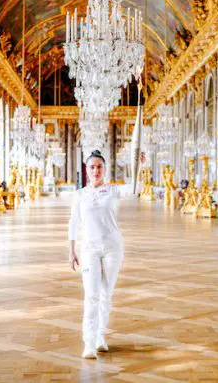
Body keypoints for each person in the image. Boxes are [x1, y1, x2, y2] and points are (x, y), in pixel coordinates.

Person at [68, 149, 142, 359]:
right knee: (91, 294)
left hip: (113, 248)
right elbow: (74, 222)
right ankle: (88, 343)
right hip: (89, 249)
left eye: (99, 167)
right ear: (87, 169)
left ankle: (100, 336)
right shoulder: (80, 195)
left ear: (104, 169)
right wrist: (71, 249)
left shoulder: (113, 190)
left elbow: (135, 190)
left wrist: (139, 167)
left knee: (105, 294)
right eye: (92, 167)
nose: (96, 170)